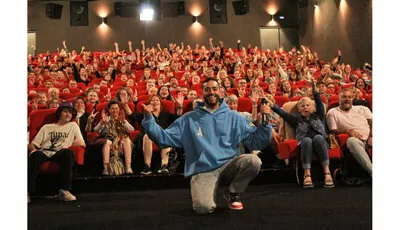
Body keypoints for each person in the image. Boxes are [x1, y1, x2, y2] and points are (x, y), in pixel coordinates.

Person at [141, 78, 272, 214]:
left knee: (254, 161)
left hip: (229, 165)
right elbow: (164, 139)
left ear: (220, 91)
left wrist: (265, 123)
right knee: (203, 208)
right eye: (207, 89)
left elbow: (256, 142)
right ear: (202, 92)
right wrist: (149, 118)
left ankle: (233, 192)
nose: (211, 92)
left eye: (214, 89)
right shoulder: (189, 118)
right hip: (204, 169)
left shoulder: (234, 117)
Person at [264, 79, 334, 188]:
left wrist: (315, 91)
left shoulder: (318, 115)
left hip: (321, 143)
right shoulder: (296, 120)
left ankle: (327, 172)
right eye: (302, 106)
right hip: (305, 145)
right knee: (306, 140)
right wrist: (272, 105)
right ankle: (307, 174)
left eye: (307, 105)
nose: (305, 107)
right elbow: (283, 113)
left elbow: (319, 102)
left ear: (311, 107)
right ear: (299, 110)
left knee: (318, 138)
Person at [28, 102, 85, 203]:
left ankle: (64, 190)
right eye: (65, 112)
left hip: (60, 153)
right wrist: (33, 151)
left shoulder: (73, 125)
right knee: (35, 155)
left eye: (70, 113)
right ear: (59, 113)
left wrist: (76, 143)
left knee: (67, 153)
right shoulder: (47, 127)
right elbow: (33, 144)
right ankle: (27, 192)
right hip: (44, 151)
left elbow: (83, 143)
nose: (68, 114)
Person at [326, 88, 372, 177]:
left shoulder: (363, 109)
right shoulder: (332, 112)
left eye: (349, 97)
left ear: (352, 99)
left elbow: (373, 123)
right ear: (338, 99)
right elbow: (333, 130)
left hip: (370, 137)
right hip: (357, 142)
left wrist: (372, 136)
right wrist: (348, 131)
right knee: (351, 141)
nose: (347, 99)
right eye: (344, 97)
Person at [90, 100, 135, 175]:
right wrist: (102, 123)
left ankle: (128, 166)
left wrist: (123, 122)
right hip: (109, 140)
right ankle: (106, 168)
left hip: (121, 141)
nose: (115, 111)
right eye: (113, 109)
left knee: (127, 140)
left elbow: (131, 130)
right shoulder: (106, 119)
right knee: (107, 143)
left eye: (117, 108)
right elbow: (95, 130)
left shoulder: (122, 119)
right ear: (109, 110)